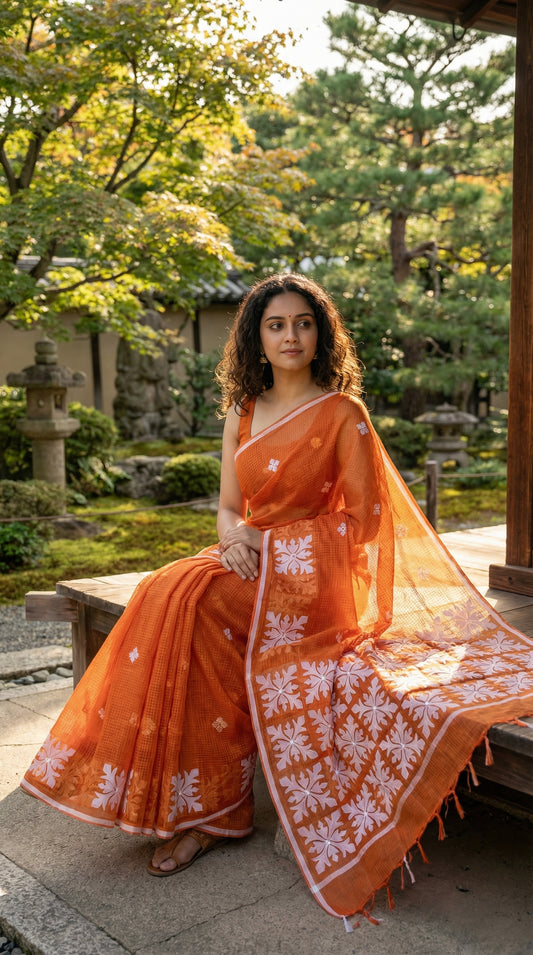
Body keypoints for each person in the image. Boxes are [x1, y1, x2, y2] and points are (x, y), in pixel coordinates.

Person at [21, 274, 533, 925]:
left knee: (195, 601)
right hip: (249, 564)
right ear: (256, 338)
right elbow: (230, 507)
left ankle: (209, 809)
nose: (290, 335)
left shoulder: (342, 413)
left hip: (313, 582)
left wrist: (277, 543)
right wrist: (235, 538)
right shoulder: (243, 411)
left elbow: (364, 522)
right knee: (171, 591)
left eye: (302, 323)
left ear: (320, 333)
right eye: (275, 324)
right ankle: (186, 797)